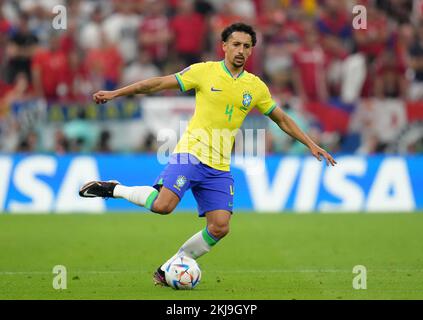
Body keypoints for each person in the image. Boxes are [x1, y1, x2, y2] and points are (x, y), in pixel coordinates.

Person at [79, 23, 336, 286]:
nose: (241, 50)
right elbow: (157, 83)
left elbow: (280, 118)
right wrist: (116, 93)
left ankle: (171, 266)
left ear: (251, 52)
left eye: (246, 46)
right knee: (163, 206)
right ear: (224, 46)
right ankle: (114, 189)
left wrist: (310, 143)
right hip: (190, 153)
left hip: (219, 166)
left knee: (220, 227)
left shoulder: (255, 87)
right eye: (235, 44)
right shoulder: (204, 71)